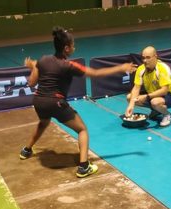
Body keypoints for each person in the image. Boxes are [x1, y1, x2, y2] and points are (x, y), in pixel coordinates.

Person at [19, 26, 137, 178]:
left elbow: (31, 83)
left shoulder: (42, 60)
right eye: (73, 45)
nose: (75, 47)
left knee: (43, 122)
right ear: (67, 48)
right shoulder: (69, 65)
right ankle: (83, 167)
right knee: (82, 130)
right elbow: (95, 73)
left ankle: (26, 150)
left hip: (39, 101)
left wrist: (34, 66)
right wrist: (121, 67)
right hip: (56, 102)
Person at [125, 45, 171, 127]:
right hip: (153, 95)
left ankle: (167, 115)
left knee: (155, 102)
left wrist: (146, 96)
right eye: (143, 58)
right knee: (130, 97)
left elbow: (164, 90)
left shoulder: (162, 68)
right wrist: (131, 105)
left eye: (148, 57)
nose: (145, 60)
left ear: (155, 57)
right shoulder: (141, 69)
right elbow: (136, 88)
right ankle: (156, 110)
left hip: (170, 95)